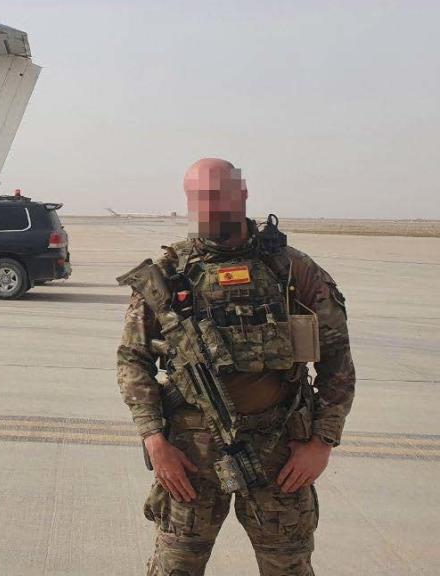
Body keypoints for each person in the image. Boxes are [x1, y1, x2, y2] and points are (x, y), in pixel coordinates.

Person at [116, 158, 355, 576]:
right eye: (198, 198)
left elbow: (338, 363)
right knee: (174, 568)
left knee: (288, 569)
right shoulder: (168, 276)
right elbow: (132, 359)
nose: (208, 208)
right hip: (191, 458)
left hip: (281, 454)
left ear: (242, 193)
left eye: (217, 195)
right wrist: (155, 441)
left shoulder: (292, 270)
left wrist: (321, 443)